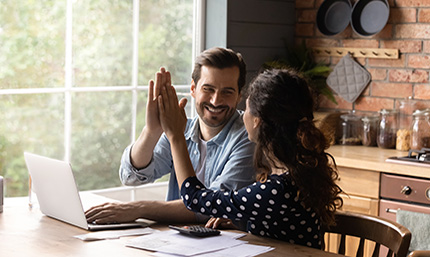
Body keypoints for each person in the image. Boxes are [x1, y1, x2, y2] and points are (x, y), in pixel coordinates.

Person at [157, 68, 343, 248]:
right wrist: (243, 223)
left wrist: (176, 136)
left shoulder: (278, 189)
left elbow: (194, 199)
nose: (242, 114)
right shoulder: (294, 175)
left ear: (257, 120)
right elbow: (283, 227)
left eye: (245, 108)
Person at [85, 47, 255, 224]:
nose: (215, 100)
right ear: (193, 88)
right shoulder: (181, 128)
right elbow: (131, 176)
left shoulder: (249, 137)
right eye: (208, 89)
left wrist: (138, 209)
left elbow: (212, 207)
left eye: (227, 92)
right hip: (174, 240)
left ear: (239, 95)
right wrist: (152, 131)